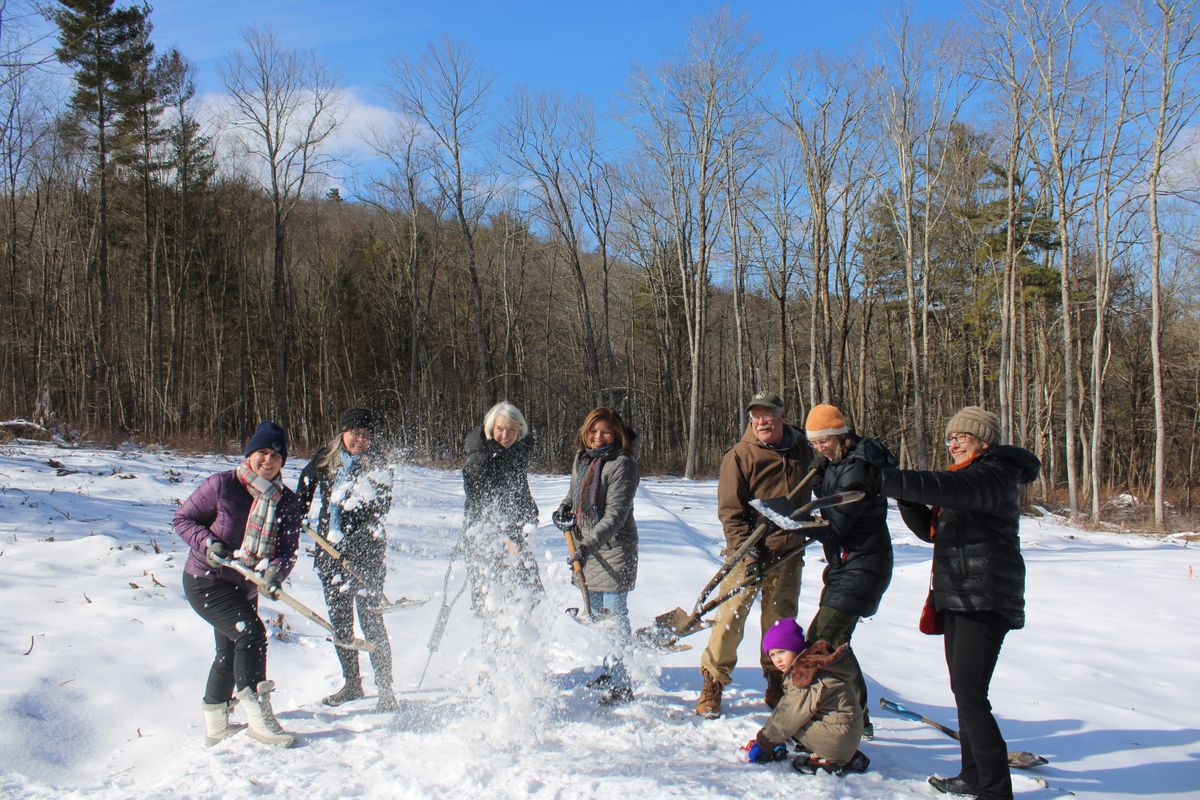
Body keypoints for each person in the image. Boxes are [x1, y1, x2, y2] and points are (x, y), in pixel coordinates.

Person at [876, 406, 1040, 800]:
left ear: (983, 441)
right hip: (960, 596)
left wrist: (891, 479)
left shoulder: (994, 474)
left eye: (961, 437)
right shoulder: (967, 479)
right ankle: (973, 776)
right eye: (949, 438)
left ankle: (996, 790)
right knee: (964, 692)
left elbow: (950, 491)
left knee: (970, 695)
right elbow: (932, 533)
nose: (952, 444)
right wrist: (900, 494)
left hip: (984, 600)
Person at [174, 420, 302, 748]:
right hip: (206, 579)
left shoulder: (285, 501)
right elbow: (183, 520)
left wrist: (275, 572)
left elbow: (287, 550)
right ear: (250, 454)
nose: (268, 461)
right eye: (262, 452)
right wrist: (208, 544)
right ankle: (259, 718)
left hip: (243, 585)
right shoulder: (222, 485)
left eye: (276, 455)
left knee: (230, 650)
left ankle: (216, 724)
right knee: (251, 634)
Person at [696, 390, 813, 719]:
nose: (762, 421)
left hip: (788, 551)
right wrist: (745, 553)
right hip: (748, 552)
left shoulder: (804, 448)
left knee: (781, 624)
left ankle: (777, 682)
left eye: (768, 415)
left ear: (782, 416)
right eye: (756, 416)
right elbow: (730, 511)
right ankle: (713, 683)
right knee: (729, 620)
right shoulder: (739, 456)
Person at [803, 403, 894, 739]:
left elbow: (836, 524)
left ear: (840, 433)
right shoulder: (838, 460)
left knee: (822, 642)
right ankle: (859, 716)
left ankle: (852, 718)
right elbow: (829, 496)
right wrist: (818, 472)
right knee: (835, 642)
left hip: (864, 565)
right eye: (815, 443)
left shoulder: (858, 467)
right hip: (847, 564)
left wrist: (800, 526)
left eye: (824, 441)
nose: (820, 448)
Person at [296, 407, 396, 711]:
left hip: (367, 555)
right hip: (329, 554)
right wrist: (299, 513)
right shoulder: (327, 458)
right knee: (341, 624)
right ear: (343, 432)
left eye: (366, 434)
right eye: (355, 432)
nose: (360, 439)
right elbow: (304, 482)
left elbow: (382, 507)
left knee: (371, 622)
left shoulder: (378, 465)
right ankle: (352, 684)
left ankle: (385, 688)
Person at [556, 406, 640, 706]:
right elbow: (574, 494)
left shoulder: (623, 464)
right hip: (587, 548)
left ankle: (623, 681)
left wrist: (586, 546)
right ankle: (611, 668)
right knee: (598, 613)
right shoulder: (582, 458)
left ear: (616, 433)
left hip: (615, 549)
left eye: (604, 431)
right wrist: (564, 508)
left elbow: (616, 515)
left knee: (616, 616)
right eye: (593, 431)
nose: (598, 437)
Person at [740, 618, 864, 772]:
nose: (777, 659)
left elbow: (788, 717)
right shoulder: (815, 665)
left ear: (796, 648)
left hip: (838, 738)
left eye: (782, 652)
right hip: (848, 734)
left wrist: (765, 742)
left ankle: (828, 760)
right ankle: (846, 755)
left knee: (793, 723)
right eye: (772, 654)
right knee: (799, 718)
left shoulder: (805, 675)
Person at [461, 401, 543, 614]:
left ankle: (528, 644)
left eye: (511, 430)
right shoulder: (480, 458)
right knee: (496, 603)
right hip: (486, 537)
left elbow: (519, 489)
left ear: (519, 431)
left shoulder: (515, 451)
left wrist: (529, 515)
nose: (505, 435)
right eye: (500, 429)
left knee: (531, 597)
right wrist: (505, 538)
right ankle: (495, 645)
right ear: (491, 427)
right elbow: (480, 504)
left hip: (513, 533)